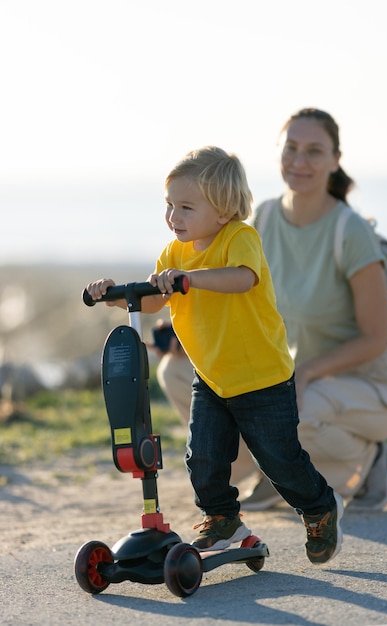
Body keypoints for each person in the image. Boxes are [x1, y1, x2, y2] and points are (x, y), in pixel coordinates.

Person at [86, 145, 343, 564]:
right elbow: (153, 302)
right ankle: (222, 517)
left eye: (186, 207)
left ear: (223, 211)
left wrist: (190, 279)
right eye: (169, 206)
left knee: (279, 460)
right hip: (212, 377)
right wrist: (115, 297)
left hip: (262, 378)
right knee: (202, 456)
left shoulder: (239, 238)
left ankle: (318, 507)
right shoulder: (173, 255)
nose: (174, 217)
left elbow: (241, 279)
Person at [155, 109, 387, 513]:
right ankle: (266, 469)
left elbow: (375, 338)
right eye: (291, 148)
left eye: (314, 151)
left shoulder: (351, 232)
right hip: (288, 372)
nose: (299, 161)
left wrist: (307, 373)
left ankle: (370, 464)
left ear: (335, 159)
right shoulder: (263, 219)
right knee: (177, 372)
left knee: (294, 409)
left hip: (373, 385)